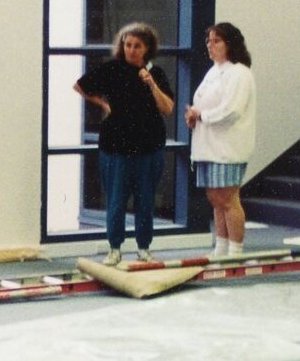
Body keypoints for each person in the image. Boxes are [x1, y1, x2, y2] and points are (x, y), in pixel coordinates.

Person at [74, 23, 174, 266]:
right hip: (116, 146)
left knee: (145, 201)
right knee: (116, 200)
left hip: (149, 146)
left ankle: (143, 248)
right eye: (127, 45)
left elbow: (168, 108)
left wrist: (152, 85)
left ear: (147, 48)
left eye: (137, 46)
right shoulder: (111, 69)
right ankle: (114, 249)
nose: (131, 50)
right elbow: (80, 86)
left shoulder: (156, 73)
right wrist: (103, 104)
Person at [184, 22, 256, 259]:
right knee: (215, 200)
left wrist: (201, 115)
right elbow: (203, 105)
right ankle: (221, 248)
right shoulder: (213, 71)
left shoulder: (239, 73)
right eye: (208, 41)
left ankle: (235, 252)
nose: (210, 45)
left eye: (217, 41)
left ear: (230, 44)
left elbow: (232, 110)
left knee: (228, 199)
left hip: (227, 148)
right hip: (207, 146)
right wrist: (193, 117)